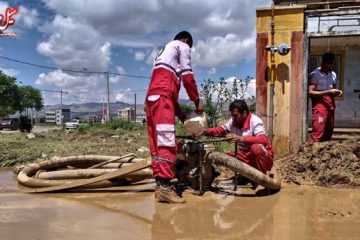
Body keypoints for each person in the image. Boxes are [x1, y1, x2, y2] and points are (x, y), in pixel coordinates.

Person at [145, 31, 204, 204]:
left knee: (156, 143)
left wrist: (180, 114)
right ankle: (165, 187)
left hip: (152, 100)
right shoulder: (182, 45)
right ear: (186, 40)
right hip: (162, 99)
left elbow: (166, 92)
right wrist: (196, 101)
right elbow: (188, 76)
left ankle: (159, 185)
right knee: (166, 141)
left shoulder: (161, 55)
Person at [200, 100, 274, 180]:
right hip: (246, 156)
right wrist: (204, 131)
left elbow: (263, 139)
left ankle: (262, 180)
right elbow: (221, 129)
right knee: (226, 157)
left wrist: (241, 139)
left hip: (263, 158)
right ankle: (247, 175)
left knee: (256, 148)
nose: (233, 118)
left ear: (244, 113)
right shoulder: (234, 121)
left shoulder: (255, 121)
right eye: (232, 115)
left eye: (235, 115)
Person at [308, 52, 342, 142]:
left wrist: (336, 92)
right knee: (318, 130)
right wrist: (328, 92)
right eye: (327, 64)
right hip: (320, 104)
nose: (329, 66)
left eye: (330, 64)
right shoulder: (315, 74)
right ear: (322, 63)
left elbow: (332, 90)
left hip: (330, 103)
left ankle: (324, 154)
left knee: (328, 130)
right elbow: (310, 92)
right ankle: (311, 153)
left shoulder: (333, 74)